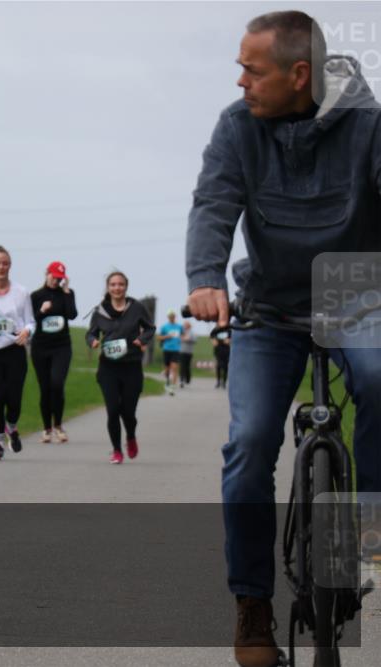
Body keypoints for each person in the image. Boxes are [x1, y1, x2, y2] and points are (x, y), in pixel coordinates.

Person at [185, 11, 381, 666]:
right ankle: (252, 601)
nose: (239, 80)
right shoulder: (237, 127)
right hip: (268, 307)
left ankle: (370, 527)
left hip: (359, 296)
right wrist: (206, 277)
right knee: (246, 444)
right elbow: (215, 201)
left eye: (252, 68)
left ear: (300, 75)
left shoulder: (369, 125)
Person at [85, 271, 155, 464]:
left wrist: (142, 339)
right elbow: (90, 333)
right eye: (113, 284)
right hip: (108, 367)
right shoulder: (100, 311)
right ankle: (116, 450)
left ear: (126, 286)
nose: (117, 288)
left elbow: (150, 328)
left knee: (128, 412)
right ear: (108, 287)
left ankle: (131, 436)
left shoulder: (136, 307)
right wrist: (92, 341)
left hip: (131, 365)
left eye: (121, 284)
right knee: (113, 409)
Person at [0, 246, 35, 461]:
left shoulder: (22, 292)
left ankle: (11, 426)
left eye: (4, 263)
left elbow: (31, 321)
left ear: (9, 265)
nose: (1, 267)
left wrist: (27, 331)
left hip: (15, 350)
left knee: (14, 399)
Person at [30, 261, 78, 443]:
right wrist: (41, 311)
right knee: (45, 388)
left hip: (62, 347)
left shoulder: (67, 294)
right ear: (46, 274)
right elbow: (30, 319)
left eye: (59, 278)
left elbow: (72, 314)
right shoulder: (36, 296)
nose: (56, 281)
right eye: (53, 277)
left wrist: (66, 293)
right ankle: (46, 428)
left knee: (57, 384)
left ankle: (58, 425)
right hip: (41, 347)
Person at [157, 310, 184, 393]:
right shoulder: (164, 327)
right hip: (167, 349)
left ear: (175, 317)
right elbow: (159, 338)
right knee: (167, 369)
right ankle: (168, 382)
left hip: (176, 349)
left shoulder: (179, 326)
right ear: (168, 317)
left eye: (173, 316)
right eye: (170, 316)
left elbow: (183, 335)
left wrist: (181, 339)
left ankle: (172, 386)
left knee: (174, 368)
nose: (172, 317)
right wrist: (166, 337)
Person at [179, 321, 196, 387]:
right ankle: (181, 380)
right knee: (182, 366)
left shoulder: (192, 332)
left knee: (187, 366)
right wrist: (184, 338)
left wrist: (185, 339)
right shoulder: (181, 332)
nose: (185, 326)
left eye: (186, 325)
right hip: (182, 351)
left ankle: (188, 378)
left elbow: (193, 339)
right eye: (184, 325)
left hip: (189, 352)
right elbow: (179, 338)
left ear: (189, 326)